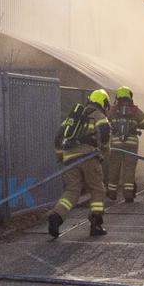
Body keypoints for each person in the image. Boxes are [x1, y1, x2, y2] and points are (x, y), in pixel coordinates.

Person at [48, 89, 111, 238]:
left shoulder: (73, 118)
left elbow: (58, 138)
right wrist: (104, 151)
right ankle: (96, 224)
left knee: (71, 191)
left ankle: (56, 216)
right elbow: (105, 134)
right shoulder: (99, 115)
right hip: (89, 157)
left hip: (69, 159)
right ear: (103, 102)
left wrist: (61, 157)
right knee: (97, 189)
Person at [106, 87, 144, 202]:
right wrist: (137, 125)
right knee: (129, 169)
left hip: (115, 144)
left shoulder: (112, 110)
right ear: (130, 97)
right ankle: (128, 194)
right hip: (131, 143)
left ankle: (112, 192)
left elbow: (104, 121)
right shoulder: (135, 110)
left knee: (114, 168)